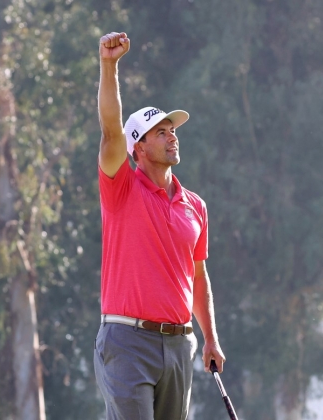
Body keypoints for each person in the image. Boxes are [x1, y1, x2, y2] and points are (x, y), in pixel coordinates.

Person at [93, 31, 226, 420]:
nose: (172, 137)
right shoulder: (121, 187)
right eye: (161, 132)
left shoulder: (195, 206)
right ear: (139, 147)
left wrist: (210, 339)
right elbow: (109, 130)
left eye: (174, 131)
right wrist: (109, 66)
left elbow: (198, 277)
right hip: (127, 341)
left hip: (180, 345)